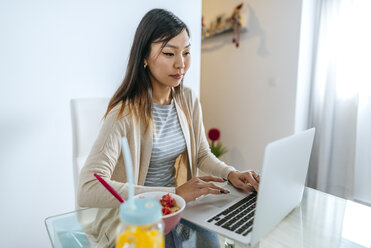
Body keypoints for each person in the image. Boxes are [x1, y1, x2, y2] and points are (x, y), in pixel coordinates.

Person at [77, 8, 260, 248]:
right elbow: (88, 187)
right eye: (169, 53)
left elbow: (201, 154)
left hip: (178, 211)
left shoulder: (188, 99)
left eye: (186, 52)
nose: (181, 64)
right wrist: (171, 192)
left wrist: (231, 173)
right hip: (141, 220)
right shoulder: (122, 114)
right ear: (144, 56)